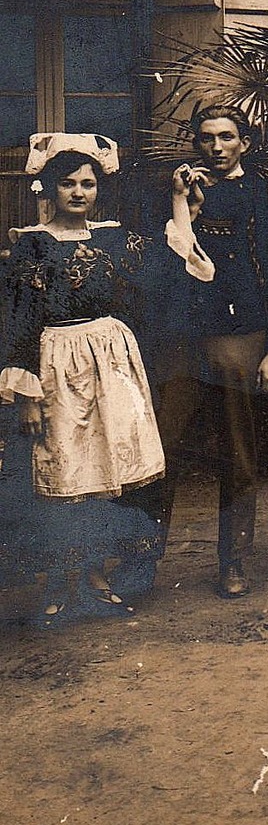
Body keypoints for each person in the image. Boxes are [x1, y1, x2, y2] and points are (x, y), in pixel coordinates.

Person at [0, 134, 170, 624]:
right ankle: (59, 582)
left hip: (110, 362)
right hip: (57, 362)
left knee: (103, 474)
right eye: (68, 183)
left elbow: (156, 274)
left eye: (88, 183)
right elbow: (21, 317)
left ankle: (95, 576)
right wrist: (28, 394)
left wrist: (183, 208)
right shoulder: (32, 243)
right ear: (48, 189)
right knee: (62, 472)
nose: (78, 192)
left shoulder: (113, 237)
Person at [134, 104, 268, 600]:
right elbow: (160, 271)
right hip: (182, 338)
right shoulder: (174, 193)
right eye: (207, 138)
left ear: (245, 142)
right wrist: (186, 207)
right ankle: (141, 563)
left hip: (239, 334)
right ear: (195, 142)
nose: (217, 147)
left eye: (227, 137)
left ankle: (234, 561)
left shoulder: (265, 195)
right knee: (161, 448)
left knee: (237, 452)